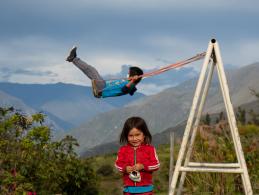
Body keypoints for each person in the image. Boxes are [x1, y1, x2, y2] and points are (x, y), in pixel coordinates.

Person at [66, 46, 143, 98]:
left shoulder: (130, 85)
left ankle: (73, 58)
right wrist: (135, 79)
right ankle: (73, 59)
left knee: (91, 70)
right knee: (90, 70)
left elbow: (124, 90)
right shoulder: (129, 83)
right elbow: (131, 91)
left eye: (129, 73)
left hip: (102, 88)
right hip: (103, 86)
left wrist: (133, 80)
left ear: (133, 75)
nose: (127, 74)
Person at [115, 117, 160, 195]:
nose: (134, 138)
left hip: (146, 191)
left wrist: (143, 166)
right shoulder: (123, 150)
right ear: (126, 136)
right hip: (128, 191)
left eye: (137, 135)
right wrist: (125, 168)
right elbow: (117, 164)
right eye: (130, 136)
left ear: (144, 134)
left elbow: (156, 165)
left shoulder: (150, 149)